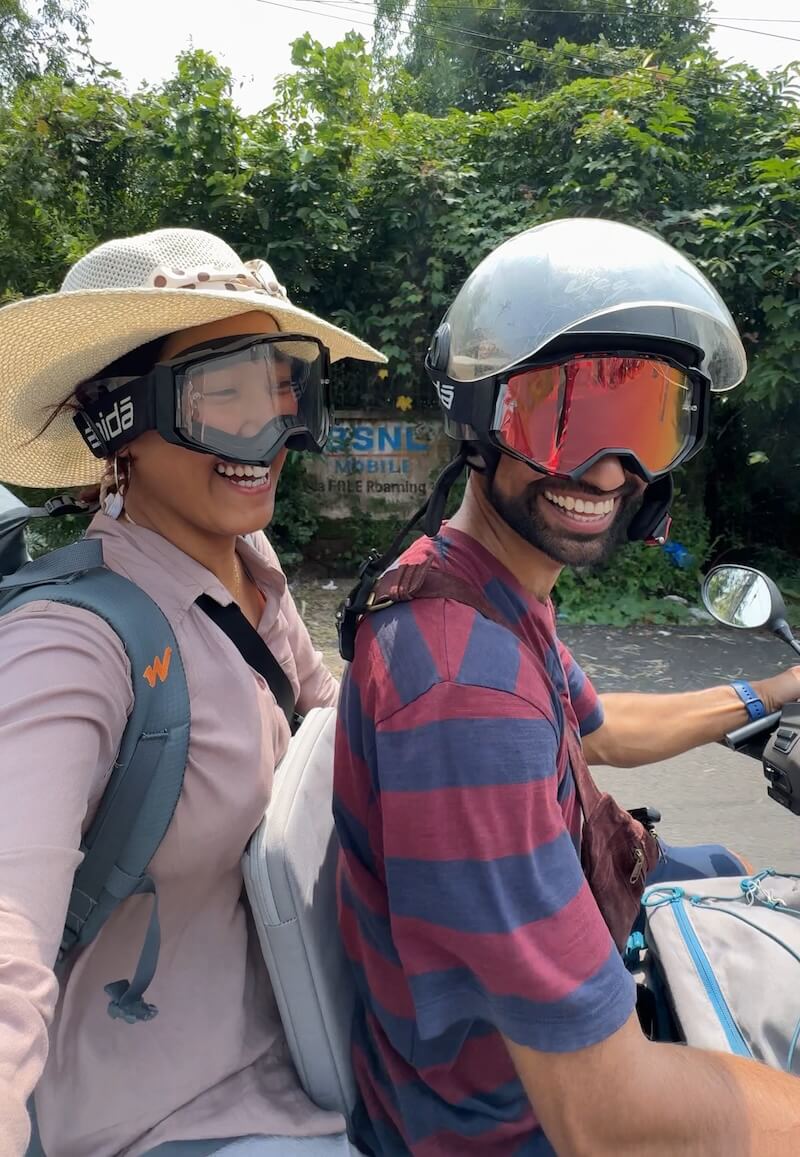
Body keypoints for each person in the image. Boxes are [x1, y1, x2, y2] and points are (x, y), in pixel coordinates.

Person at [333, 218, 800, 1156]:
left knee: (736, 882)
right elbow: (605, 1118)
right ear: (479, 416)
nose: (608, 470)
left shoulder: (485, 590)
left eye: (647, 422)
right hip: (498, 1125)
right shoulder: (466, 692)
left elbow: (602, 727)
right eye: (565, 415)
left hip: (494, 1073)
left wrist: (776, 689)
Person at [0, 227, 384, 1157]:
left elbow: (326, 717)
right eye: (223, 394)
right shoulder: (73, 640)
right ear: (115, 423)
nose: (269, 433)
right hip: (174, 1126)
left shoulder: (251, 567)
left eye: (283, 387)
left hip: (321, 1053)